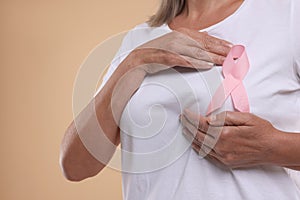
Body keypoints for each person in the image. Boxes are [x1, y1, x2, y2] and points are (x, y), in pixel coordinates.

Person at [60, 0, 300, 199]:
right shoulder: (139, 40)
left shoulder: (288, 14)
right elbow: (74, 165)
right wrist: (135, 63)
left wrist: (271, 146)